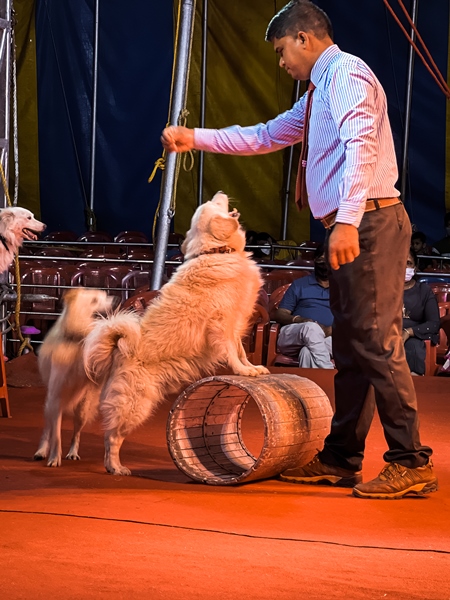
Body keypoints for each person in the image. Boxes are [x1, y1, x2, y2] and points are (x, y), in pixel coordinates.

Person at [161, 0, 436, 499]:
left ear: (305, 38)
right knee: (352, 348)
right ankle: (341, 457)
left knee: (375, 342)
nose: (282, 62)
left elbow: (361, 148)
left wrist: (348, 222)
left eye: (282, 50)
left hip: (369, 220)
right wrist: (194, 138)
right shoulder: (316, 94)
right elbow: (265, 136)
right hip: (357, 221)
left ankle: (411, 461)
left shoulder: (348, 73)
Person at [275, 245, 333, 368]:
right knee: (311, 328)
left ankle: (315, 385)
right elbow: (280, 314)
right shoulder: (299, 284)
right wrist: (299, 320)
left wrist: (333, 329)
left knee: (307, 353)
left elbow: (351, 318)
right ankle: (327, 371)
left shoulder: (342, 288)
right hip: (296, 336)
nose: (324, 263)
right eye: (321, 259)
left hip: (329, 336)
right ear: (315, 261)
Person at [403, 249, 440, 376]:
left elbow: (434, 323)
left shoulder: (423, 291)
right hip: (386, 334)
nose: (404, 267)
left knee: (413, 348)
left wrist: (408, 333)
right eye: (400, 262)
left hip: (414, 336)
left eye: (408, 263)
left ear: (415, 267)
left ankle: (413, 385)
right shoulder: (384, 289)